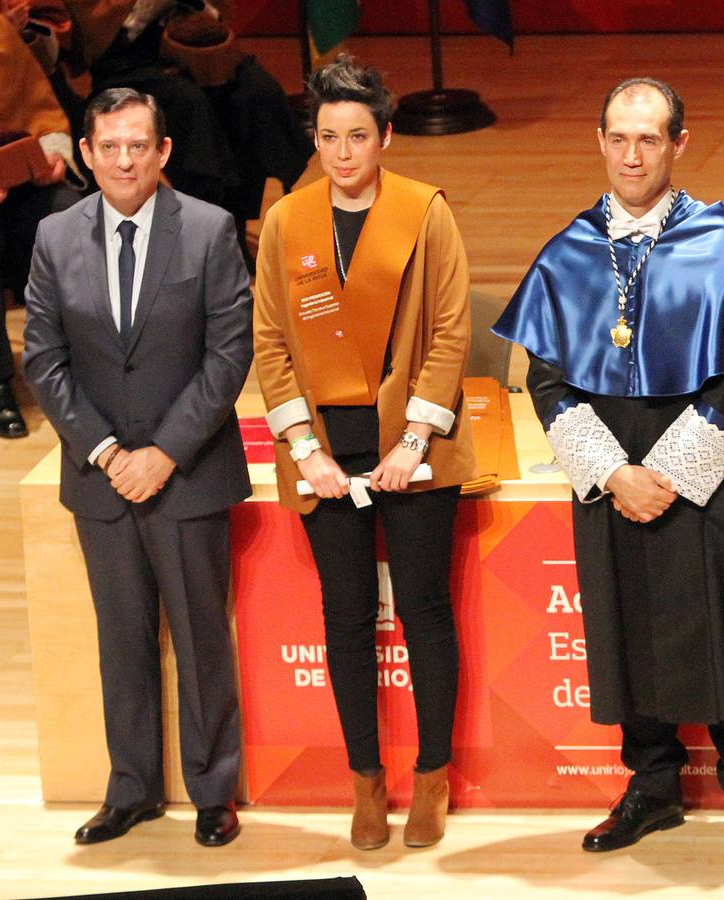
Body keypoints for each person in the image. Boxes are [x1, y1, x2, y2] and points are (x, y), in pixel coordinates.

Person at [494, 77, 724, 861]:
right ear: (600, 142)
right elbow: (546, 380)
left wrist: (670, 472)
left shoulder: (718, 241)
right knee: (628, 629)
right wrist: (613, 473)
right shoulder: (567, 252)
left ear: (678, 144)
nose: (632, 155)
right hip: (613, 474)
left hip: (702, 469)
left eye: (649, 139)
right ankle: (653, 786)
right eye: (619, 138)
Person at [252, 54, 475, 851]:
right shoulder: (287, 220)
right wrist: (304, 450)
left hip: (412, 449)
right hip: (325, 452)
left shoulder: (425, 211)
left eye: (356, 135)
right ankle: (365, 783)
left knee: (423, 612)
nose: (342, 153)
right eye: (327, 137)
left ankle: (433, 778)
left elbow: (450, 333)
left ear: (384, 136)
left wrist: (413, 441)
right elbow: (270, 343)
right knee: (345, 618)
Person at [23, 86, 251, 847]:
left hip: (187, 473)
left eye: (138, 145)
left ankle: (213, 791)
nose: (125, 161)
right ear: (87, 155)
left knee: (201, 639)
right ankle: (132, 790)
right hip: (101, 478)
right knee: (121, 640)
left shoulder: (210, 229)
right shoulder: (55, 236)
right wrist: (108, 452)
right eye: (110, 147)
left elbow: (228, 355)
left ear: (163, 151)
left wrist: (163, 453)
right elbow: (44, 358)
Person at [62, 0, 312, 267]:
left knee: (257, 92)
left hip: (193, 45)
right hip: (125, 61)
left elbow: (219, 13)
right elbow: (89, 33)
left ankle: (237, 223)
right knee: (191, 104)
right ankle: (205, 231)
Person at [0, 1, 83, 437]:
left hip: (11, 175)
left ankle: (81, 362)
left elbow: (43, 113)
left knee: (65, 210)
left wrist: (51, 157)